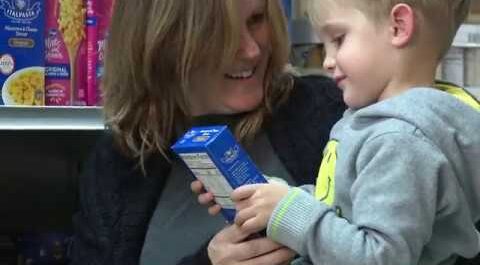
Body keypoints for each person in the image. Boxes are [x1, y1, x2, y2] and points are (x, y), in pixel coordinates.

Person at [195, 0, 480, 264]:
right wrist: (269, 197)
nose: (328, 61)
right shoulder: (380, 125)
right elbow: (345, 207)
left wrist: (290, 211)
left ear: (399, 26)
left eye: (338, 39)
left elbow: (378, 256)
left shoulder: (398, 141)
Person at [69, 0, 346, 264]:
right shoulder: (120, 160)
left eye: (256, 20)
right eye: (221, 34)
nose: (251, 50)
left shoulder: (336, 114)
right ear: (162, 41)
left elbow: (382, 242)